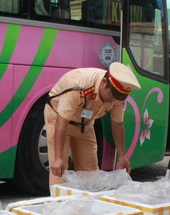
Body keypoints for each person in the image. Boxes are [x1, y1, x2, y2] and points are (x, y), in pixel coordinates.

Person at [44, 62, 141, 190]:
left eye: (116, 99)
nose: (112, 101)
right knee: (60, 172)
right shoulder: (78, 86)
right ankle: (60, 207)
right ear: (104, 82)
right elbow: (61, 123)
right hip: (58, 117)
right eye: (111, 96)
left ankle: (86, 206)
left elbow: (117, 124)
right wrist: (58, 158)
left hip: (85, 123)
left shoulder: (117, 96)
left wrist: (122, 156)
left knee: (90, 173)